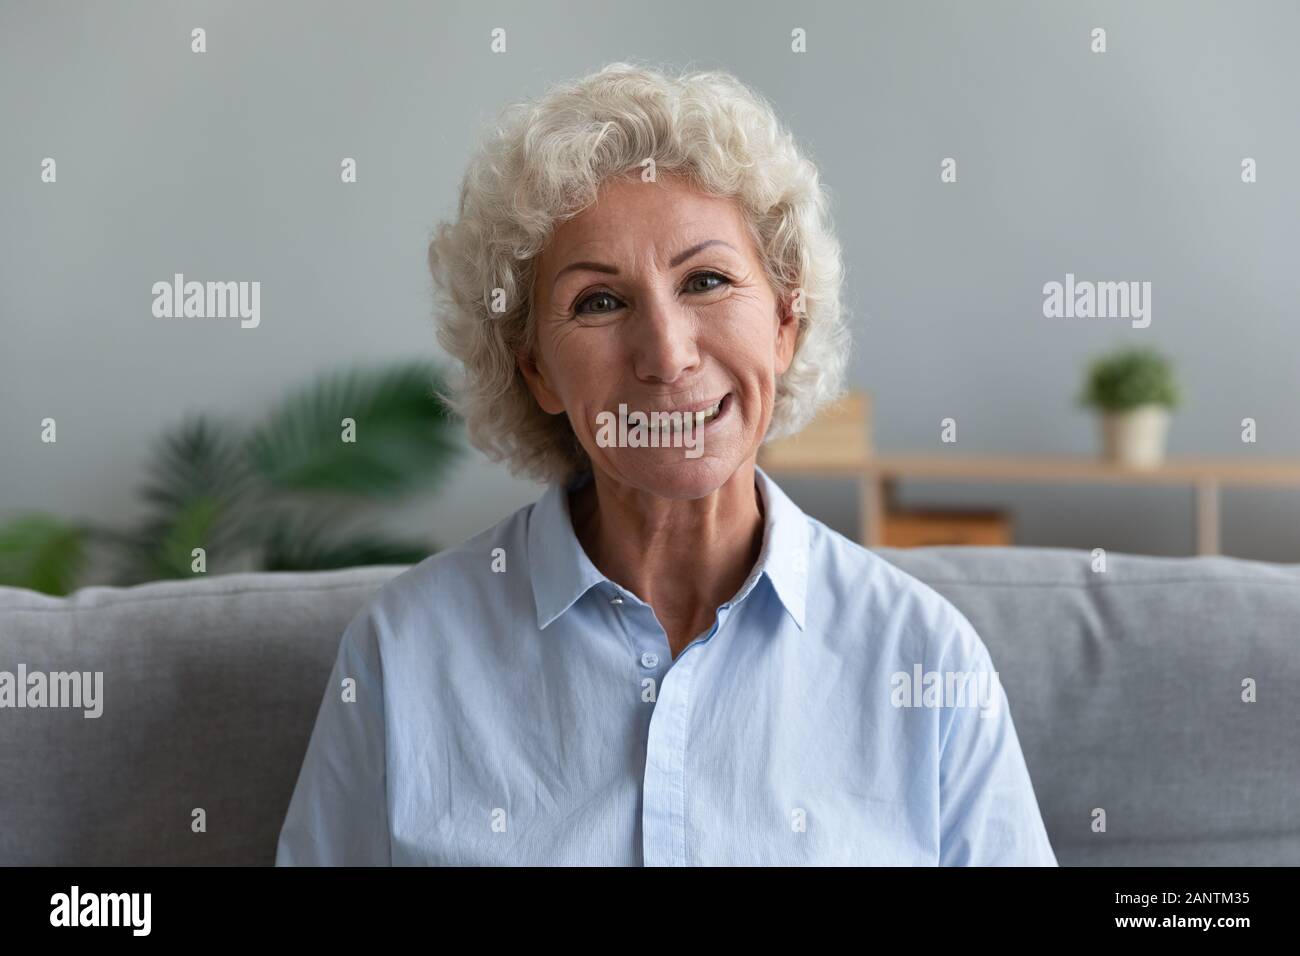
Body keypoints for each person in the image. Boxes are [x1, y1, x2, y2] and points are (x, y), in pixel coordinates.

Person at [275, 61, 1057, 866]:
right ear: (536, 368)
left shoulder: (925, 658)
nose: (667, 355)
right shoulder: (402, 654)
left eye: (708, 281)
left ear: (785, 323)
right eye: (599, 302)